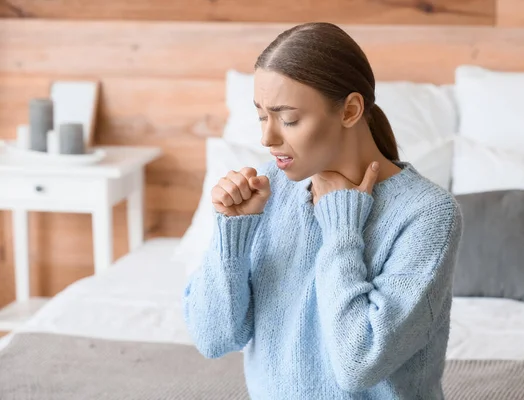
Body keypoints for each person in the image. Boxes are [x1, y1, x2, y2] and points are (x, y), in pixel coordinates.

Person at [183, 22, 463, 399]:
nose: (267, 138)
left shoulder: (428, 215)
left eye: (289, 119)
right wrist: (232, 233)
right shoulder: (267, 192)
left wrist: (342, 227)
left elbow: (358, 362)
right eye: (262, 116)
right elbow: (213, 338)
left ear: (350, 110)